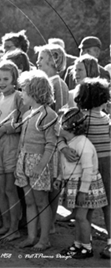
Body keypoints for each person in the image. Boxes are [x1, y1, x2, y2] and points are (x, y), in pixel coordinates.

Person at [56, 107, 108, 259]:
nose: (57, 127)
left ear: (68, 126)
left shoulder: (83, 144)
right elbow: (64, 165)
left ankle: (86, 247)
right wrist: (60, 179)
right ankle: (78, 243)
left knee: (80, 217)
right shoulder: (70, 142)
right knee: (79, 217)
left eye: (59, 123)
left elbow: (88, 169)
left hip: (85, 186)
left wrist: (83, 191)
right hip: (77, 183)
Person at [15, 70, 57, 250]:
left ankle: (44, 239)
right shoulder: (27, 114)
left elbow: (50, 144)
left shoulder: (49, 115)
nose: (21, 94)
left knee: (41, 201)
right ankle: (31, 237)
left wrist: (41, 166)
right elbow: (22, 141)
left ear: (35, 92)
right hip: (23, 161)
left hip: (38, 162)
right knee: (29, 201)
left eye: (23, 90)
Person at [0, 60, 28, 240]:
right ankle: (5, 225)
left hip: (12, 143)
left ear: (14, 79)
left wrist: (7, 129)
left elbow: (26, 121)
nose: (1, 82)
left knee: (10, 189)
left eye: (5, 78)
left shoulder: (19, 97)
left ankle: (14, 228)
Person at [74, 78, 111, 259]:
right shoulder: (106, 119)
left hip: (89, 166)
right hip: (108, 164)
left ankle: (85, 241)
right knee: (108, 206)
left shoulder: (83, 119)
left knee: (86, 206)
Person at [35, 44, 68, 112]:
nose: (37, 62)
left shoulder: (59, 84)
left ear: (53, 60)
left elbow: (61, 112)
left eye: (41, 58)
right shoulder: (41, 82)